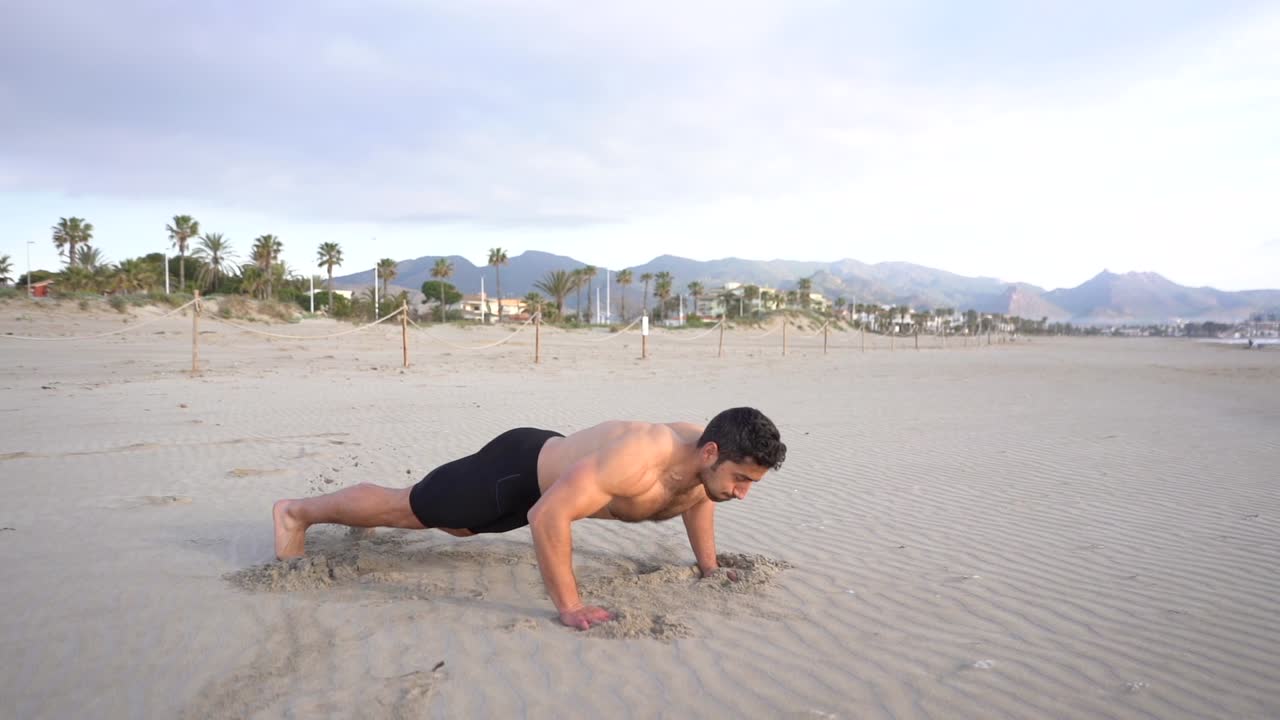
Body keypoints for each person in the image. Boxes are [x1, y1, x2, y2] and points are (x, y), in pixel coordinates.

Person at [272, 406, 786, 629]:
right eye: (742, 480)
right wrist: (571, 606)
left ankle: (358, 518)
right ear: (711, 451)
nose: (742, 494)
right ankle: (296, 513)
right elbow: (546, 517)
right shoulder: (641, 455)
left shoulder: (704, 465)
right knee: (408, 509)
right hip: (514, 472)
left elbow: (700, 502)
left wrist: (710, 568)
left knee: (455, 525)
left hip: (543, 476)